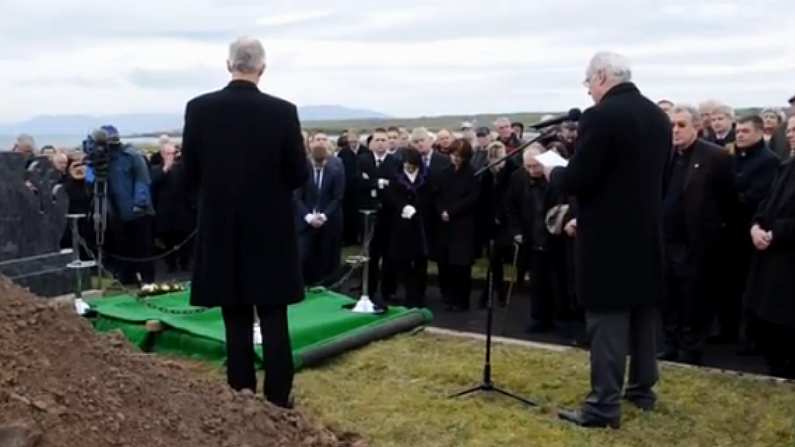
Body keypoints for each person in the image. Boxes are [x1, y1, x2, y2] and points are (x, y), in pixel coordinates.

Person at [182, 37, 308, 409]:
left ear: (228, 65)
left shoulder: (199, 109)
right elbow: (299, 173)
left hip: (222, 229)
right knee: (274, 318)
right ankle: (279, 398)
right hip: (271, 231)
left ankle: (241, 396)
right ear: (262, 69)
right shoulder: (283, 112)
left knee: (234, 317)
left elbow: (189, 173)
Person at [550, 52, 671, 428]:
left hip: (607, 239)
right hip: (647, 232)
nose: (587, 90)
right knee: (643, 314)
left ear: (602, 77)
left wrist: (554, 169)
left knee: (606, 321)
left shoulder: (601, 117)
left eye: (588, 81)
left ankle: (603, 405)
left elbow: (581, 178)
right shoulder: (657, 116)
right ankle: (641, 390)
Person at [658, 105, 737, 365]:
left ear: (696, 127)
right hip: (667, 240)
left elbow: (729, 201)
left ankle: (690, 351)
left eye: (681, 125)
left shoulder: (716, 156)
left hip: (698, 243)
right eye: (671, 125)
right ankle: (670, 343)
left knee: (694, 300)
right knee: (669, 297)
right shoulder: (666, 155)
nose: (675, 131)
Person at [719, 115, 780, 348]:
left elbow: (756, 197)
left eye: (745, 131)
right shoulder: (732, 157)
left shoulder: (768, 161)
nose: (740, 135)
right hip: (727, 232)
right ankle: (728, 330)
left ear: (759, 131)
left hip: (748, 232)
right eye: (739, 131)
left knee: (745, 287)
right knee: (727, 286)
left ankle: (747, 338)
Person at [744, 115, 795, 379]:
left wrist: (776, 232)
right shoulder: (786, 166)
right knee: (766, 323)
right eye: (790, 129)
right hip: (769, 257)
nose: (790, 135)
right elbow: (766, 204)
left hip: (788, 260)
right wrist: (755, 226)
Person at [507, 146, 556, 332]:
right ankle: (539, 319)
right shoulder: (518, 178)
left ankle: (561, 318)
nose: (532, 170)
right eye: (528, 166)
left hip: (554, 238)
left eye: (536, 166)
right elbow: (510, 206)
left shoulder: (555, 176)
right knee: (537, 283)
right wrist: (516, 231)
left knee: (556, 282)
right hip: (531, 237)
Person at [384, 149, 433, 308]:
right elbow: (391, 196)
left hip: (421, 225)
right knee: (403, 260)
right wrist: (403, 206)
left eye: (411, 164)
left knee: (421, 261)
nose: (408, 167)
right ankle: (409, 294)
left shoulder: (425, 177)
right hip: (402, 225)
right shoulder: (396, 176)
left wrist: (417, 208)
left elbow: (429, 196)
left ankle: (420, 295)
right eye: (406, 164)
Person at [357, 128, 400, 307]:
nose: (381, 143)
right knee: (370, 255)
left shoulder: (395, 161)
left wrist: (372, 181)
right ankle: (368, 289)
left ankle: (388, 290)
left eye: (384, 140)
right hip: (369, 215)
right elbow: (358, 182)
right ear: (372, 143)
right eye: (378, 140)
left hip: (389, 216)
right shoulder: (363, 160)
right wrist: (378, 182)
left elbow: (396, 184)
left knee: (389, 255)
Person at [435, 139, 479, 311]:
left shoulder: (472, 174)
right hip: (445, 225)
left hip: (463, 225)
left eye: (459, 156)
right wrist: (441, 211)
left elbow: (472, 198)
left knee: (461, 265)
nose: (455, 158)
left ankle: (461, 300)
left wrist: (451, 212)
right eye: (453, 155)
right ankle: (448, 297)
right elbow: (437, 195)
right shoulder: (444, 172)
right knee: (445, 263)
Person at [295, 135, 345, 286]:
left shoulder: (336, 166)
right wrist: (309, 217)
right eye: (317, 139)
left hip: (328, 221)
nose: (321, 142)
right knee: (302, 257)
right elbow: (296, 196)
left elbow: (338, 196)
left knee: (327, 260)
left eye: (324, 139)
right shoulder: (301, 166)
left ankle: (328, 289)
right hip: (305, 221)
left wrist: (324, 216)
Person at [476, 141, 517, 307]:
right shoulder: (486, 175)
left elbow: (510, 197)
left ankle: (490, 294)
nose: (496, 162)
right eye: (493, 158)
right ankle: (496, 293)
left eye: (499, 158)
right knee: (494, 260)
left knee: (496, 258)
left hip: (505, 223)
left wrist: (501, 214)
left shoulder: (512, 171)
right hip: (489, 223)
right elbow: (483, 198)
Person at [150, 143, 195, 273]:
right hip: (165, 212)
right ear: (162, 154)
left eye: (173, 153)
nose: (171, 156)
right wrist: (165, 168)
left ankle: (185, 263)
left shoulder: (183, 169)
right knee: (168, 241)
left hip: (183, 211)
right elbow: (153, 183)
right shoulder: (156, 169)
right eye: (168, 154)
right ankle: (171, 265)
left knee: (185, 240)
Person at [337, 132, 361, 246]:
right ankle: (349, 238)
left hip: (354, 189)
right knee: (349, 214)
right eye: (350, 142)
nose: (353, 144)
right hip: (349, 188)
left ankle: (353, 238)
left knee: (353, 215)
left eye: (355, 141)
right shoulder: (346, 153)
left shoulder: (362, 152)